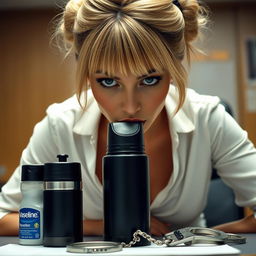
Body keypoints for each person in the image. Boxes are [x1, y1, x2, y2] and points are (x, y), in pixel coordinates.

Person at [0, 0, 256, 237]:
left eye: (150, 79)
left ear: (176, 67)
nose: (131, 106)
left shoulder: (207, 117)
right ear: (86, 74)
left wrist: (199, 237)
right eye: (108, 81)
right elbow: (4, 217)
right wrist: (98, 227)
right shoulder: (59, 124)